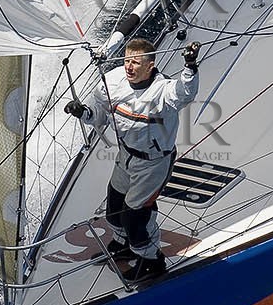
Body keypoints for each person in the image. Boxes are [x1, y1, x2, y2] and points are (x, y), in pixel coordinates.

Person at [65, 36, 199, 282]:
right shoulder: (113, 81)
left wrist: (190, 67)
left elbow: (185, 93)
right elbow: (100, 116)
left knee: (135, 217)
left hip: (153, 163)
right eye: (127, 60)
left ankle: (151, 260)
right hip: (126, 155)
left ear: (150, 66)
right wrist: (83, 112)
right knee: (114, 211)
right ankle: (124, 244)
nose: (129, 67)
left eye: (136, 63)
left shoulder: (163, 90)